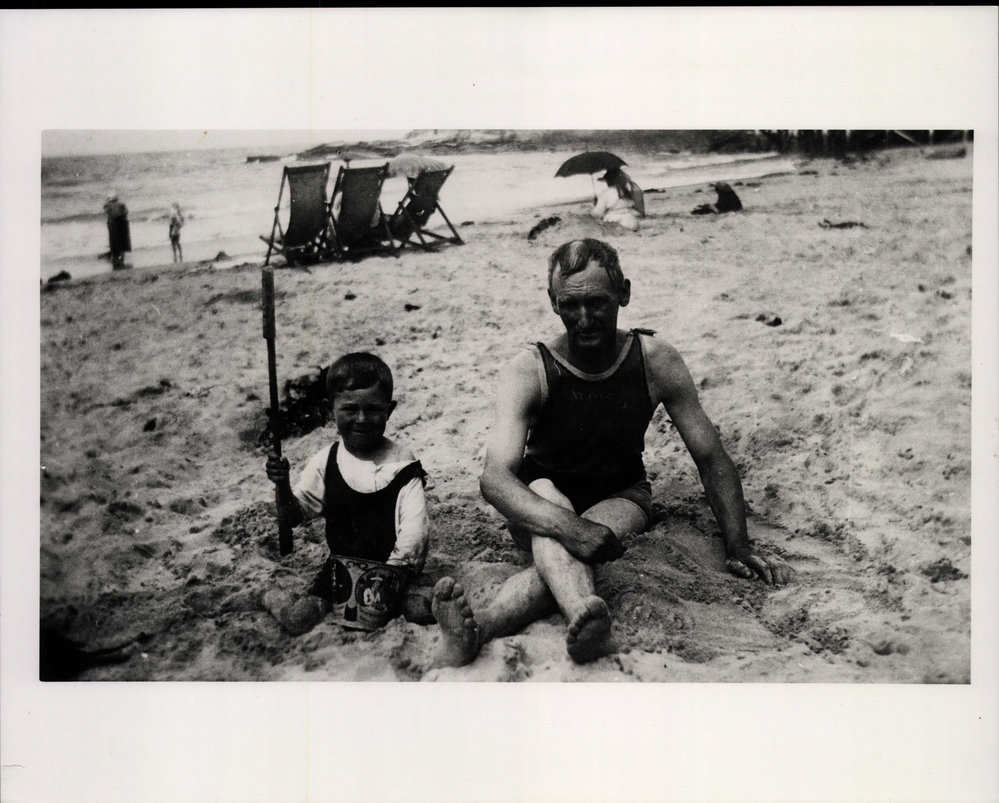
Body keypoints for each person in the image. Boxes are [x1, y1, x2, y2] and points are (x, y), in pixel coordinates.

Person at [431, 239, 791, 667]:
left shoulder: (654, 360)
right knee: (555, 515)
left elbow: (710, 456)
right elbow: (495, 478)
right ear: (552, 302)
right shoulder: (529, 369)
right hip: (541, 496)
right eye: (570, 305)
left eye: (598, 303)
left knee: (557, 561)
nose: (584, 319)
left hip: (622, 495)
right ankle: (584, 615)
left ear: (624, 292)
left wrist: (738, 543)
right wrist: (570, 527)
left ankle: (481, 630)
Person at [265, 352, 430, 633]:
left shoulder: (402, 463)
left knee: (418, 610)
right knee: (300, 618)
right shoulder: (325, 461)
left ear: (389, 410)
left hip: (392, 571)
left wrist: (386, 577)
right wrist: (282, 486)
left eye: (373, 409)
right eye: (350, 409)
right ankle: (269, 596)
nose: (362, 419)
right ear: (332, 409)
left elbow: (415, 533)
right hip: (340, 569)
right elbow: (294, 516)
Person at [590, 167, 644, 232]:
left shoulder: (606, 194)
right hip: (633, 222)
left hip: (617, 224)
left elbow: (597, 214)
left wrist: (594, 206)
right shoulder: (626, 192)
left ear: (608, 181)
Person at [102, 194, 131, 270]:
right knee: (122, 242)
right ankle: (121, 259)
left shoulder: (107, 205)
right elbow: (126, 212)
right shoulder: (121, 204)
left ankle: (115, 259)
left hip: (112, 224)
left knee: (113, 242)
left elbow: (105, 212)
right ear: (116, 199)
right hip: (122, 223)